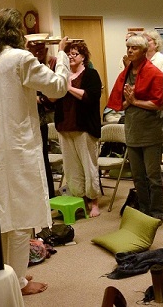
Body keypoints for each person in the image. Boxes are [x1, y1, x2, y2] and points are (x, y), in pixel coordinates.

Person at [0, 8, 69, 296]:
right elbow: (59, 87)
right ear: (15, 32)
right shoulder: (20, 58)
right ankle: (17, 283)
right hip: (18, 149)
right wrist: (61, 56)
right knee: (20, 217)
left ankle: (8, 273)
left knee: (3, 215)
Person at [108, 34, 163, 221]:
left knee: (153, 176)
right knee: (138, 176)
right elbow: (120, 103)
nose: (130, 51)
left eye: (134, 48)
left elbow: (158, 104)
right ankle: (143, 210)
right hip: (132, 128)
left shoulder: (154, 73)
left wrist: (135, 101)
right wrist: (130, 102)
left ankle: (156, 212)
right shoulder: (125, 74)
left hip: (150, 130)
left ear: (143, 51)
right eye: (128, 48)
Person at [53, 40, 102, 217]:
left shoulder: (90, 74)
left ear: (83, 57)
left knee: (89, 167)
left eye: (75, 54)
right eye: (68, 54)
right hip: (65, 127)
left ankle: (94, 202)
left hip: (84, 128)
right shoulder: (62, 75)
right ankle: (79, 200)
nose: (71, 57)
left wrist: (69, 88)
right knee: (71, 168)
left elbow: (91, 97)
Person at [26, 34, 58, 198]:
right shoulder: (26, 65)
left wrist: (37, 99)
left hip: (40, 120)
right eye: (34, 49)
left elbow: (52, 95)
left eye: (40, 50)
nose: (37, 53)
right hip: (27, 121)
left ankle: (49, 195)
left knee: (42, 158)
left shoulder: (45, 66)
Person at [143, 30, 163, 129]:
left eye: (148, 40)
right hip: (145, 106)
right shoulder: (140, 61)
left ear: (156, 43)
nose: (145, 42)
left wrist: (143, 84)